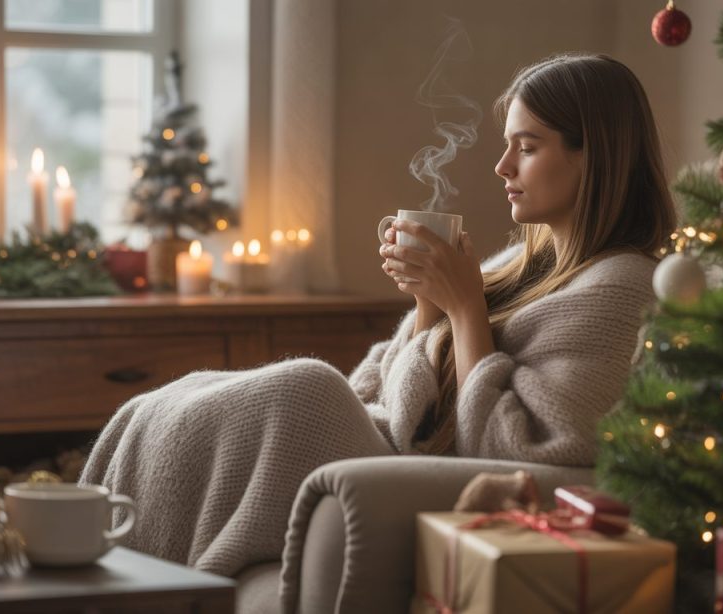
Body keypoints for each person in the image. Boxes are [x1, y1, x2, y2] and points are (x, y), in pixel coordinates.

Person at [80, 52, 677, 582]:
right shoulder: (517, 265)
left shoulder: (621, 288)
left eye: (526, 147)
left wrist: (464, 308)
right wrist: (428, 304)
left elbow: (522, 455)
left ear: (593, 157)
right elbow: (377, 389)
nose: (502, 166)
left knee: (306, 385)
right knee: (192, 391)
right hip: (392, 448)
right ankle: (107, 570)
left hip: (431, 481)